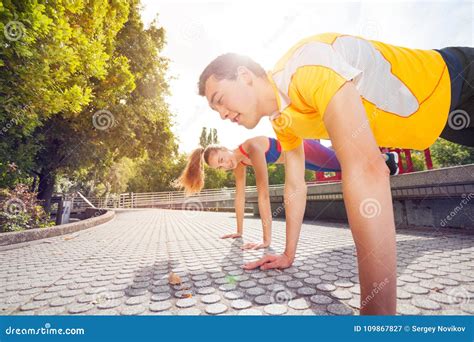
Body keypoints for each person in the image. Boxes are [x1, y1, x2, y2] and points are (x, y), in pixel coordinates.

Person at [197, 32, 474, 315]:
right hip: (442, 116)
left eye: (219, 99)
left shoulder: (304, 68)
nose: (221, 114)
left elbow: (367, 169)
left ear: (244, 75)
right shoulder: (281, 121)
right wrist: (288, 254)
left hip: (458, 79)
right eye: (214, 109)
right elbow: (295, 186)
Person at [176, 136, 399, 250]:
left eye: (223, 159)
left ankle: (386, 160)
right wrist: (238, 231)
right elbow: (240, 196)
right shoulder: (240, 164)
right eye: (220, 167)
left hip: (303, 149)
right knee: (342, 163)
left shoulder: (251, 148)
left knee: (345, 163)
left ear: (225, 149)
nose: (226, 165)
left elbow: (263, 194)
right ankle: (385, 161)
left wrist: (266, 241)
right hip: (298, 160)